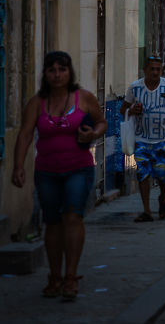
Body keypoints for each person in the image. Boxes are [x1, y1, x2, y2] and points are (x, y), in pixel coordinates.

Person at [12, 51, 107, 300]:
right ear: (45, 74)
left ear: (69, 72)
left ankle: (71, 277)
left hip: (79, 169)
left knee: (73, 217)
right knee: (52, 222)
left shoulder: (83, 98)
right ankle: (54, 276)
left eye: (62, 69)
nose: (57, 74)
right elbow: (24, 135)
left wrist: (93, 135)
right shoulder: (37, 103)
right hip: (47, 172)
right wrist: (18, 166)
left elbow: (101, 122)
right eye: (52, 70)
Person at [121, 56, 165, 223]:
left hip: (163, 140)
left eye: (158, 69)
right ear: (145, 70)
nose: (155, 72)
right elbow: (123, 110)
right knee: (143, 174)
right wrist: (132, 109)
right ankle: (147, 211)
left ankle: (162, 197)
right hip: (141, 140)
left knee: (162, 175)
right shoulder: (134, 88)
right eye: (152, 69)